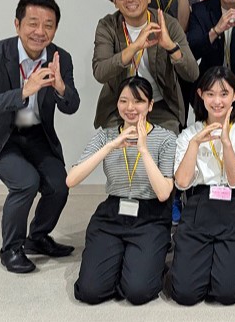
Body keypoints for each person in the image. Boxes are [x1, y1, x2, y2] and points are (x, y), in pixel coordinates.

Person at [0, 0, 80, 273]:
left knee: (60, 184)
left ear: (55, 29)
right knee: (26, 182)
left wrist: (60, 88)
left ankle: (38, 237)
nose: (40, 31)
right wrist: (24, 91)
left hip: (35, 133)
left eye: (48, 25)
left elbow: (71, 106)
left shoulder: (60, 58)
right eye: (33, 23)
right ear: (17, 24)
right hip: (0, 136)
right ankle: (11, 249)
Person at [69, 77, 175, 305]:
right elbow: (71, 180)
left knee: (138, 292)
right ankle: (124, 263)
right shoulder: (106, 136)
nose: (130, 107)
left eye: (138, 101)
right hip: (112, 215)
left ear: (150, 105)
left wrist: (144, 150)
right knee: (90, 292)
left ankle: (142, 263)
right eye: (124, 100)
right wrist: (110, 146)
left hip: (150, 217)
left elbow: (164, 193)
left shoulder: (166, 138)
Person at [170, 67, 235, 305]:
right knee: (185, 294)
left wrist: (227, 143)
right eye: (210, 94)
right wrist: (194, 145)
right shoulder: (189, 134)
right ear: (201, 95)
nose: (217, 101)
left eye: (224, 94)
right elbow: (182, 183)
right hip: (200, 203)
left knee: (228, 293)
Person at [93, 0, 199, 135]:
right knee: (117, 149)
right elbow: (100, 73)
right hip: (119, 108)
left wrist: (171, 47)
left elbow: (192, 74)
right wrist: (134, 47)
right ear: (114, 1)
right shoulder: (108, 26)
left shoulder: (167, 24)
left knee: (165, 146)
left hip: (160, 106)